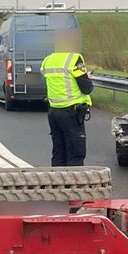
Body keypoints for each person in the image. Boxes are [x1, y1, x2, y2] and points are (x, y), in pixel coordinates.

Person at [40, 35, 94, 167]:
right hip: (71, 112)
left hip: (54, 112)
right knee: (76, 153)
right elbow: (86, 88)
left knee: (59, 153)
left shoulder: (48, 60)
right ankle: (74, 180)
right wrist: (87, 78)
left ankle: (57, 179)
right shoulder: (74, 59)